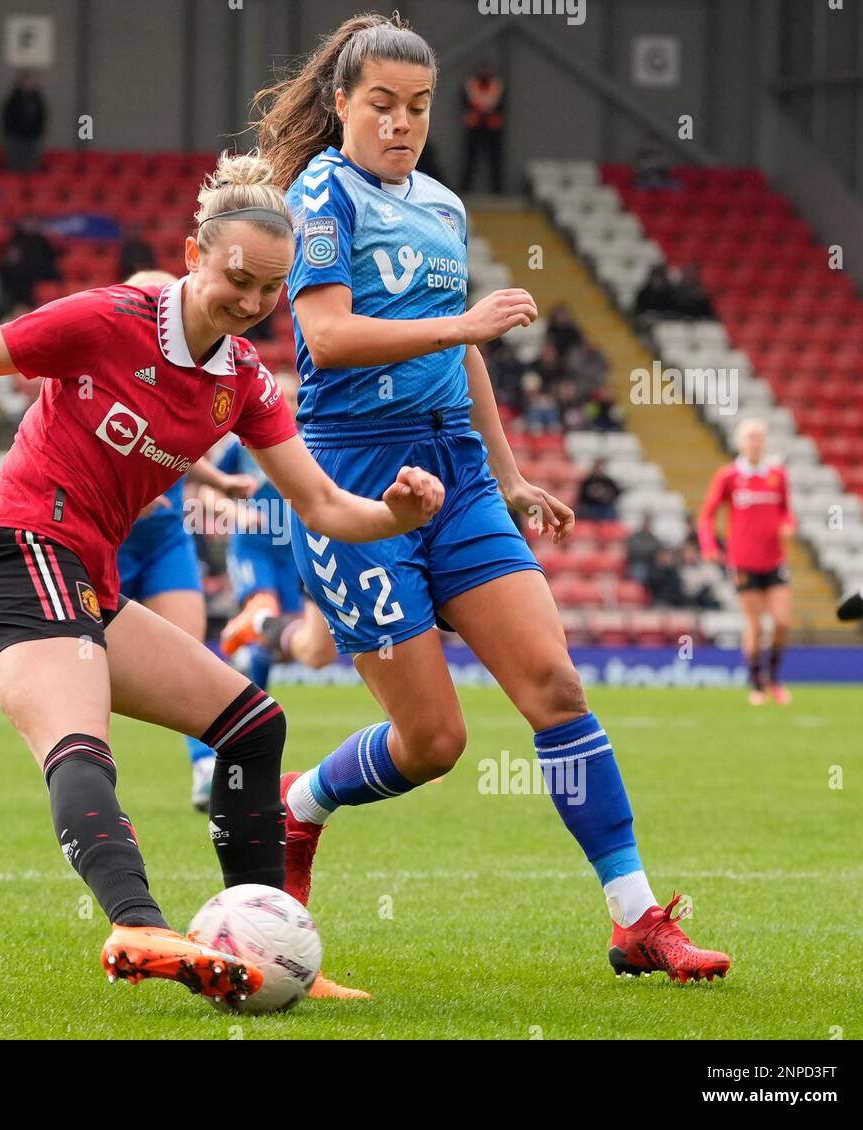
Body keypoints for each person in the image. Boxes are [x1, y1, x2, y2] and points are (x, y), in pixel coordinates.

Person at [0, 151, 444, 1006]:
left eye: (271, 289)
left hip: (85, 578)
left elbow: (324, 504)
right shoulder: (109, 318)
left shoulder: (245, 383)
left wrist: (397, 517)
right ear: (195, 255)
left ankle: (263, 940)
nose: (254, 303)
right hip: (14, 552)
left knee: (253, 724)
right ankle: (135, 922)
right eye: (238, 278)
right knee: (79, 745)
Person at [253, 11, 731, 986]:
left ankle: (634, 916)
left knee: (554, 685)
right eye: (380, 103)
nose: (401, 123)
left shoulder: (440, 205)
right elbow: (330, 338)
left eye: (418, 108)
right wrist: (459, 319)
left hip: (459, 472)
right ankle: (299, 803)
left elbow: (460, 348)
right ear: (340, 102)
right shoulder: (317, 197)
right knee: (433, 742)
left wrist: (509, 476)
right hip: (359, 478)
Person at [0, 270, 263, 814]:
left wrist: (218, 484)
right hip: (101, 535)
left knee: (188, 649)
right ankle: (9, 672)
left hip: (165, 536)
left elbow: (174, 445)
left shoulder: (203, 371)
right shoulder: (112, 351)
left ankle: (203, 769)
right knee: (84, 657)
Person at [217, 371, 340, 692]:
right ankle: (240, 658)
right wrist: (236, 512)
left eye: (290, 400)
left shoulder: (311, 445)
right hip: (254, 548)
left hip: (296, 553)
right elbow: (207, 493)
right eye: (279, 398)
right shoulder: (242, 445)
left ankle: (248, 672)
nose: (284, 406)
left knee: (286, 640)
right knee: (264, 608)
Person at [698, 419, 794, 705]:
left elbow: (787, 512)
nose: (755, 443)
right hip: (743, 561)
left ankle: (774, 678)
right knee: (755, 624)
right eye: (750, 437)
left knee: (782, 621)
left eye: (759, 437)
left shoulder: (777, 475)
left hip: (775, 560)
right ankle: (757, 684)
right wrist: (709, 545)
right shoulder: (729, 476)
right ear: (741, 443)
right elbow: (707, 514)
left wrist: (789, 525)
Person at [460, 59, 504, 194]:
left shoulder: (497, 85)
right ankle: (465, 189)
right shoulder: (470, 84)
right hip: (475, 125)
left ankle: (498, 191)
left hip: (492, 126)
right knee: (470, 158)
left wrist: (484, 108)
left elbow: (500, 105)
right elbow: (465, 103)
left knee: (495, 159)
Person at [0, 72, 47, 173]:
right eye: (26, 82)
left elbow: (42, 116)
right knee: (14, 163)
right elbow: (7, 116)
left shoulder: (37, 99)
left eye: (30, 82)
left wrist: (38, 131)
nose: (28, 84)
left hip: (32, 137)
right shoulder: (13, 99)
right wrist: (10, 132)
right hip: (16, 137)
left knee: (32, 163)